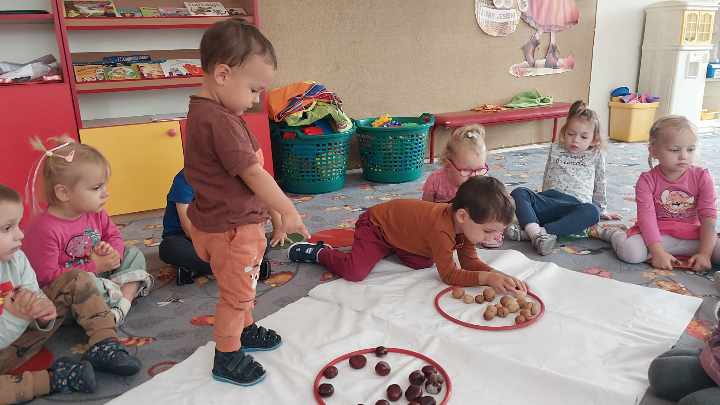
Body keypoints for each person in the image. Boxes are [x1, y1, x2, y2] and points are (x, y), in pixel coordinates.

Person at [184, 19, 310, 386]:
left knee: (245, 282)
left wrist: (269, 211)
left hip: (222, 224)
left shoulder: (207, 111)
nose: (256, 99)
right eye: (254, 90)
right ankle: (227, 355)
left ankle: (245, 328)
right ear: (223, 75)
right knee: (236, 296)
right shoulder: (220, 121)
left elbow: (242, 174)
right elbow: (254, 174)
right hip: (232, 231)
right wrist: (287, 209)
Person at [0, 184, 141, 405]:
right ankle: (54, 379)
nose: (20, 234)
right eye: (7, 228)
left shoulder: (16, 258)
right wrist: (15, 317)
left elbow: (35, 294)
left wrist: (42, 311)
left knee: (76, 278)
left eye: (18, 225)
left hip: (26, 335)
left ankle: (104, 342)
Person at [289, 176, 527, 294]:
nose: (495, 238)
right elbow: (449, 275)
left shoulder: (464, 226)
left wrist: (500, 276)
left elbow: (470, 263)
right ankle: (320, 253)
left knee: (423, 262)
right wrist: (487, 279)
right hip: (375, 226)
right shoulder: (442, 228)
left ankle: (395, 244)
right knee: (355, 271)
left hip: (400, 231)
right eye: (488, 231)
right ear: (463, 216)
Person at [23, 138, 152, 325]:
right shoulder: (45, 229)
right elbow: (46, 278)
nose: (105, 193)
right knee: (85, 286)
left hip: (100, 274)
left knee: (133, 254)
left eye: (104, 185)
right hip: (71, 291)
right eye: (96, 188)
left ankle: (119, 306)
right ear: (63, 193)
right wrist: (94, 267)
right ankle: (121, 298)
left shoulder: (95, 213)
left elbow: (113, 236)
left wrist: (113, 253)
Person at [591, 116, 720, 271]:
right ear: (653, 150)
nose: (684, 156)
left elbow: (708, 218)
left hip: (692, 235)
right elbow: (647, 219)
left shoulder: (702, 176)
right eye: (675, 150)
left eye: (690, 149)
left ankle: (675, 253)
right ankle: (614, 234)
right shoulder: (646, 181)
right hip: (656, 235)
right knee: (631, 253)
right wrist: (657, 252)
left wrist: (705, 254)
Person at [505, 100, 621, 255]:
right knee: (519, 192)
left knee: (592, 212)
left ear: (594, 139)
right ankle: (535, 231)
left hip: (574, 207)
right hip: (548, 201)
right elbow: (548, 173)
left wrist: (602, 209)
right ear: (564, 132)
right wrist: (540, 200)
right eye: (571, 134)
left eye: (583, 137)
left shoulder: (596, 154)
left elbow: (600, 181)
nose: (575, 140)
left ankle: (538, 233)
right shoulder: (555, 148)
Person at [422, 124, 501, 248]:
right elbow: (425, 209)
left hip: (470, 222)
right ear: (448, 164)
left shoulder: (480, 181)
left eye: (479, 169)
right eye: (467, 171)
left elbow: (488, 207)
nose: (474, 176)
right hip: (443, 222)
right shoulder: (435, 181)